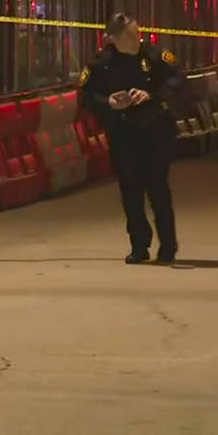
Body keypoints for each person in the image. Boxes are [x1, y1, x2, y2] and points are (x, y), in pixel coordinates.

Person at [79, 13, 188, 265]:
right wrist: (108, 101)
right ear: (114, 39)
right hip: (123, 133)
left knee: (158, 188)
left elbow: (178, 80)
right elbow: (86, 97)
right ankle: (139, 245)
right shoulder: (100, 64)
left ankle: (168, 246)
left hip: (155, 130)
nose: (135, 37)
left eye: (137, 31)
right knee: (130, 190)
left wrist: (151, 94)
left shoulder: (154, 56)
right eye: (129, 34)